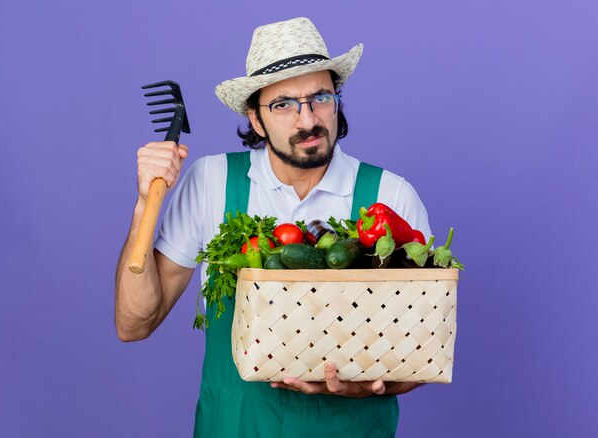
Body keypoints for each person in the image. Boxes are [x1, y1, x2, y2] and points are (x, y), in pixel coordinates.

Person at [115, 17, 432, 437]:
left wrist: (365, 386)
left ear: (337, 101)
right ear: (256, 119)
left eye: (320, 97)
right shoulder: (211, 182)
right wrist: (143, 206)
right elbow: (134, 324)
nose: (307, 120)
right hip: (236, 425)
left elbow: (421, 355)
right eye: (283, 104)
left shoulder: (391, 197)